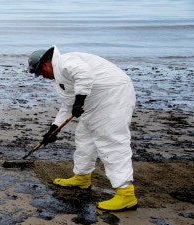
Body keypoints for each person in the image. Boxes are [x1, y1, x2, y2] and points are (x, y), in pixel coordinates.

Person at [27, 45, 137, 211]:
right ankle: (82, 177)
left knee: (111, 141)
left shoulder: (65, 62)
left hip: (112, 96)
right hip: (94, 101)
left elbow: (84, 74)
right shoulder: (60, 77)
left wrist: (79, 100)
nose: (42, 77)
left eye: (40, 73)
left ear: (45, 64)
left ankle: (126, 194)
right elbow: (67, 105)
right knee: (84, 136)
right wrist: (53, 129)